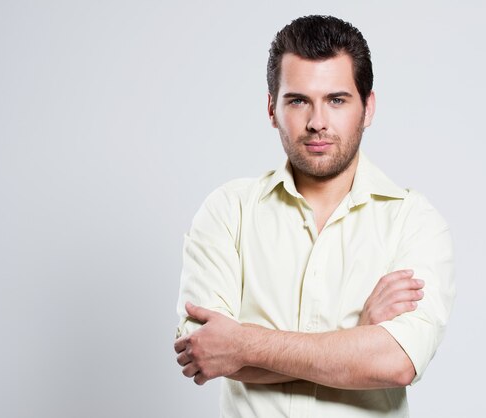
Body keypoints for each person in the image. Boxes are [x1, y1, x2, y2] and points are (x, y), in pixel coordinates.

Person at [174, 15, 455, 417]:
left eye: (337, 100)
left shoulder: (413, 222)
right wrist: (357, 340)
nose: (317, 122)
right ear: (272, 108)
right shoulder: (228, 212)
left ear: (368, 107)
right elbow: (207, 353)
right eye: (298, 100)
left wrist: (243, 345)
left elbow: (395, 363)